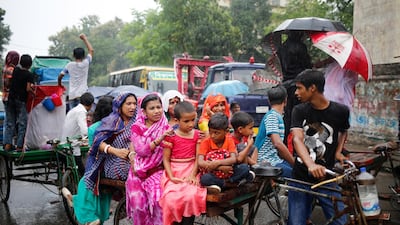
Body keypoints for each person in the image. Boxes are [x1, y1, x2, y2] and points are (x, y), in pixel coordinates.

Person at [62, 92, 138, 225]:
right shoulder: (110, 126)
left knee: (88, 178)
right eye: (128, 104)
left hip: (111, 163)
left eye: (134, 104)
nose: (132, 107)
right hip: (111, 164)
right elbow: (98, 147)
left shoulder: (128, 124)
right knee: (89, 179)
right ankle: (82, 207)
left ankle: (76, 201)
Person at [288, 69, 349, 225]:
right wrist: (310, 164)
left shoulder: (340, 111)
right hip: (300, 177)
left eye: (300, 88)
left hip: (327, 178)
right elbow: (297, 139)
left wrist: (338, 152)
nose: (296, 92)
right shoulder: (299, 110)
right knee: (296, 222)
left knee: (340, 221)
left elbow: (343, 131)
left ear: (312, 88)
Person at [125, 93, 174, 225]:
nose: (157, 111)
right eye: (152, 108)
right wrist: (160, 139)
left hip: (157, 171)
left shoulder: (166, 127)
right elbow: (141, 150)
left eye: (159, 107)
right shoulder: (138, 128)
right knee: (139, 207)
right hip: (137, 172)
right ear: (144, 112)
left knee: (159, 203)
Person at [159, 101, 207, 225]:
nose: (191, 124)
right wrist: (171, 176)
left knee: (191, 195)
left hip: (192, 169)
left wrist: (192, 175)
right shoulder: (171, 136)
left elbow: (197, 157)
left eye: (193, 120)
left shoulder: (197, 135)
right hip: (174, 170)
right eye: (186, 121)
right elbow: (166, 159)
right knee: (170, 198)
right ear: (176, 120)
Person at [198, 113, 255, 193]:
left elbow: (233, 159)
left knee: (244, 168)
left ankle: (228, 182)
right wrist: (219, 167)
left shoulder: (229, 140)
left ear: (226, 131)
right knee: (205, 178)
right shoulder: (206, 142)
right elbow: (200, 162)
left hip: (229, 172)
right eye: (210, 132)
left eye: (216, 133)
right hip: (213, 173)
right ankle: (228, 183)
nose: (212, 136)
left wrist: (218, 162)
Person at [277, 31, 312, 144]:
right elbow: (307, 65)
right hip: (299, 84)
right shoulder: (301, 47)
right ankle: (300, 143)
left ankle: (285, 143)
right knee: (301, 115)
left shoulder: (281, 48)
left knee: (287, 116)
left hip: (285, 85)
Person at [254, 85, 294, 178]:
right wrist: (293, 162)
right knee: (297, 174)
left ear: (269, 101)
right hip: (266, 162)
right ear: (285, 100)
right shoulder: (272, 117)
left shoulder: (276, 116)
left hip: (275, 160)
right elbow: (278, 144)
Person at [4, 54, 35, 151]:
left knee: (10, 122)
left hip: (11, 99)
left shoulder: (16, 71)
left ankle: (7, 145)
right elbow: (28, 88)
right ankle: (19, 146)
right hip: (21, 100)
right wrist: (33, 93)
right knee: (22, 123)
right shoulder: (29, 75)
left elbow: (9, 82)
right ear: (30, 65)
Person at [61, 92, 94, 176]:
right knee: (82, 169)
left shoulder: (74, 109)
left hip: (65, 142)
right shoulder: (81, 112)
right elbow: (84, 131)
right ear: (90, 105)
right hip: (72, 145)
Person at [58, 33, 94, 110]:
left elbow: (60, 76)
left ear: (74, 56)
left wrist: (60, 84)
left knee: (73, 118)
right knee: (81, 116)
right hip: (82, 95)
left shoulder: (69, 65)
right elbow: (91, 50)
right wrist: (84, 38)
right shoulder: (86, 63)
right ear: (84, 56)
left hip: (72, 95)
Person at [2, 50, 20, 148]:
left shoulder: (5, 68)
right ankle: (8, 144)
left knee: (8, 121)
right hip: (10, 97)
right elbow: (9, 83)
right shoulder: (11, 69)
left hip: (5, 97)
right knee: (11, 122)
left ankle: (7, 142)